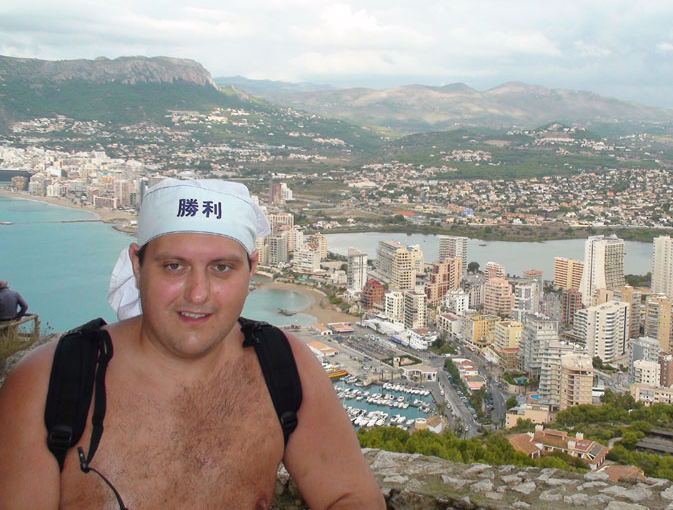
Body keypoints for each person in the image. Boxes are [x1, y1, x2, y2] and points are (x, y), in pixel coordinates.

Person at [0, 179, 385, 509]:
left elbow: (350, 496)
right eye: (174, 266)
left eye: (222, 268)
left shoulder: (285, 366)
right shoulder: (47, 383)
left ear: (251, 270)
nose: (198, 294)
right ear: (137, 265)